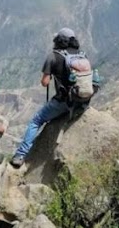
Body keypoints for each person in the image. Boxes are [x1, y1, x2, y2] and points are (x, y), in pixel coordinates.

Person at [10, 27, 90, 168]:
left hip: (63, 102)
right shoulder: (82, 55)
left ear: (58, 40)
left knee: (36, 120)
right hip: (82, 101)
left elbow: (44, 82)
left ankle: (20, 155)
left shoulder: (53, 56)